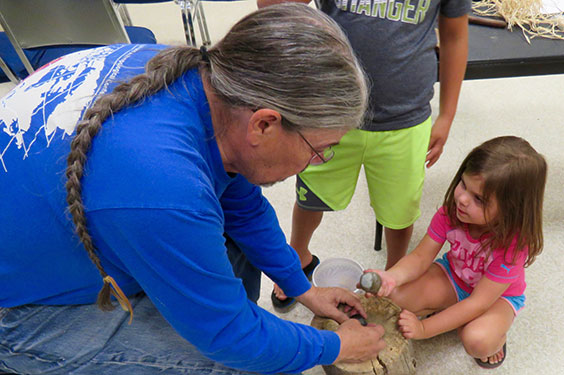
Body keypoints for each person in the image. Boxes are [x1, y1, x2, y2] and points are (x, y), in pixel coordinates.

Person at [0, 4, 387, 375]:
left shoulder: (196, 77)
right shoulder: (162, 188)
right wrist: (336, 347)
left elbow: (244, 209)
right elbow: (231, 339)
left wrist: (302, 288)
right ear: (264, 125)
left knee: (237, 251)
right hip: (18, 314)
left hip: (67, 229)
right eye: (318, 150)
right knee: (249, 366)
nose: (316, 163)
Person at [258, 0, 471, 312]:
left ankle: (396, 271)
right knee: (311, 195)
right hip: (330, 109)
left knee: (399, 208)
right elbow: (272, 7)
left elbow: (454, 35)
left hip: (405, 119)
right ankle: (298, 254)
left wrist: (447, 115)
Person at [366, 136, 547, 369]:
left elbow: (479, 303)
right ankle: (452, 313)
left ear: (511, 211)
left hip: (496, 298)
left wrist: (424, 329)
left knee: (478, 341)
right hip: (454, 276)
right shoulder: (451, 213)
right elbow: (420, 257)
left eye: (479, 199)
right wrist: (392, 277)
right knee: (395, 297)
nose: (461, 199)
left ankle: (496, 335)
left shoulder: (512, 246)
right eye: (463, 184)